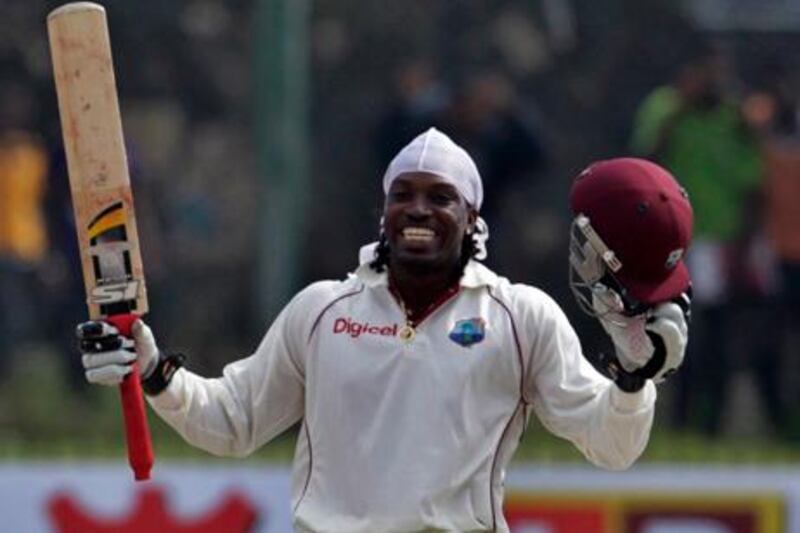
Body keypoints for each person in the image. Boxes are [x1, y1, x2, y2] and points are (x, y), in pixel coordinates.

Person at [78, 129, 691, 532]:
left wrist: (633, 381)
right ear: (384, 209)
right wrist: (158, 374)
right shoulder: (320, 308)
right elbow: (234, 423)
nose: (418, 209)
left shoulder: (518, 315)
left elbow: (612, 448)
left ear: (471, 217)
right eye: (404, 194)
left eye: (440, 197)